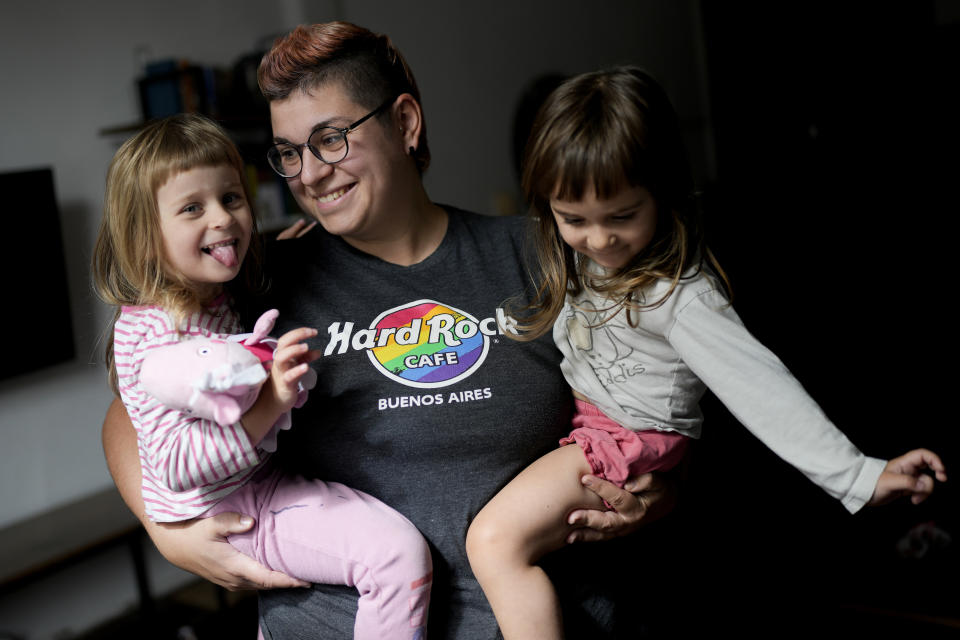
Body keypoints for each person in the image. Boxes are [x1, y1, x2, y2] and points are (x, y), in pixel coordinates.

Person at [100, 23, 678, 639]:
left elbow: (665, 382)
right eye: (289, 152)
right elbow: (127, 409)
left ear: (404, 122)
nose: (309, 175)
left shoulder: (540, 253)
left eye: (330, 139)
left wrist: (664, 485)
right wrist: (170, 530)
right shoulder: (259, 276)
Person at [463, 66, 949, 640]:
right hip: (597, 426)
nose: (599, 240)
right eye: (575, 220)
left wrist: (860, 476)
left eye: (622, 216)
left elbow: (762, 387)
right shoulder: (571, 254)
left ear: (663, 192)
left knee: (493, 541)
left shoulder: (680, 297)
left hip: (629, 436)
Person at [92, 113, 433, 639]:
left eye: (231, 198)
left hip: (258, 490)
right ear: (144, 235)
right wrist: (271, 400)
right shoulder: (160, 339)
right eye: (191, 208)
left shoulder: (210, 296)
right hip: (236, 508)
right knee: (395, 557)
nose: (224, 219)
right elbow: (178, 465)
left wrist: (281, 248)